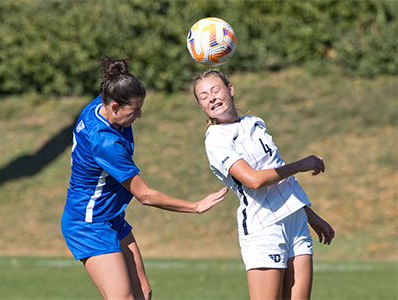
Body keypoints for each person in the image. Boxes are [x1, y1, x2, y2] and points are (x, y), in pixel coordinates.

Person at [61, 57, 227, 300]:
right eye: (134, 110)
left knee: (143, 293)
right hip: (88, 224)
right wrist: (196, 206)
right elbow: (146, 196)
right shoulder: (106, 142)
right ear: (115, 107)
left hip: (110, 216)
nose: (139, 115)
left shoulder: (100, 106)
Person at [192, 69, 335, 300]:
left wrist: (311, 216)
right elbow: (254, 180)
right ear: (201, 106)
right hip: (264, 226)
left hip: (295, 222)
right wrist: (301, 164)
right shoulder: (216, 139)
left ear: (230, 89)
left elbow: (279, 174)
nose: (212, 98)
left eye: (216, 90)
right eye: (203, 96)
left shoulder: (255, 124)